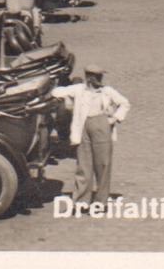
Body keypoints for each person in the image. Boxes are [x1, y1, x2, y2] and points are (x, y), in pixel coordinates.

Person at [53, 65, 130, 207]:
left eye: (101, 77)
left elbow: (125, 103)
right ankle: (82, 201)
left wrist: (114, 119)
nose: (100, 80)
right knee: (83, 165)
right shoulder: (78, 90)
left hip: (102, 125)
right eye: (97, 77)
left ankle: (101, 201)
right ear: (89, 78)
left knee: (103, 164)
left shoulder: (107, 91)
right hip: (83, 127)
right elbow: (56, 92)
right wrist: (68, 99)